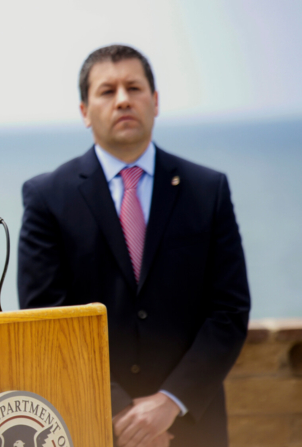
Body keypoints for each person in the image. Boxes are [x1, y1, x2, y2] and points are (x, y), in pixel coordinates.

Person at [17, 45, 250, 447]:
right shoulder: (47, 197)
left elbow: (229, 310)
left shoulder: (207, 190)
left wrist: (169, 403)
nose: (123, 99)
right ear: (84, 111)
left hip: (192, 427)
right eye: (107, 91)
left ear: (155, 101)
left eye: (134, 87)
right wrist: (121, 412)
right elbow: (46, 319)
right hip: (94, 426)